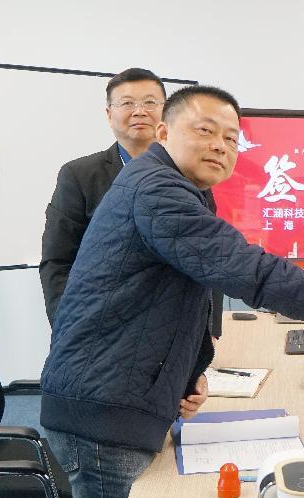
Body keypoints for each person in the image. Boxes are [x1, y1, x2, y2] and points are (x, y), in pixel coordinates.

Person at [39, 85, 304, 498]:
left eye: (231, 138)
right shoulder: (157, 190)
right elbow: (250, 271)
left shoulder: (177, 187)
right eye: (205, 130)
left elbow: (176, 298)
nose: (220, 146)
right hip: (104, 418)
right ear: (163, 132)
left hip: (115, 399)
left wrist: (186, 374)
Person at [38, 68, 225, 341]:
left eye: (150, 102)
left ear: (166, 114)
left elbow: (211, 256)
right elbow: (58, 261)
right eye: (127, 103)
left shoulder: (192, 175)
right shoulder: (79, 175)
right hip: (104, 333)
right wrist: (70, 330)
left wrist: (209, 333)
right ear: (109, 114)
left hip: (176, 332)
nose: (139, 111)